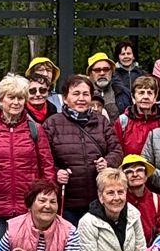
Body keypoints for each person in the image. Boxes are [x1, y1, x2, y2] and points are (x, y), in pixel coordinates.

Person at [0, 74, 56, 223]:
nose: (16, 102)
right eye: (11, 97)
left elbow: (47, 167)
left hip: (29, 207)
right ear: (0, 100)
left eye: (20, 98)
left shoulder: (35, 129)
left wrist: (48, 199)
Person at [46, 74, 118, 224]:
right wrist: (56, 172)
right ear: (65, 98)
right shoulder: (52, 124)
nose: (81, 98)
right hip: (67, 201)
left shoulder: (101, 122)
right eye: (76, 93)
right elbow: (43, 159)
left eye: (86, 94)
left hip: (98, 199)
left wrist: (107, 162)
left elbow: (116, 150)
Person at [122, 153, 160, 239]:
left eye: (139, 170)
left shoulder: (157, 201)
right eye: (129, 171)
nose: (135, 174)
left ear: (146, 176)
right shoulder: (120, 200)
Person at [117, 75, 160, 155]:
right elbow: (117, 150)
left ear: (155, 97)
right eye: (141, 93)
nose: (145, 97)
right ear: (133, 97)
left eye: (150, 93)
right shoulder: (123, 121)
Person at [110, 40, 141, 114]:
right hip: (120, 112)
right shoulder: (113, 74)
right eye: (123, 54)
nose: (126, 56)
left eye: (128, 53)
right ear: (118, 57)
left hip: (139, 110)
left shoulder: (141, 73)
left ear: (133, 56)